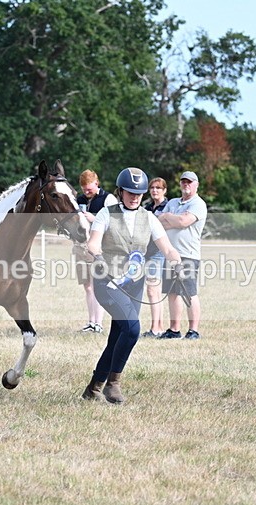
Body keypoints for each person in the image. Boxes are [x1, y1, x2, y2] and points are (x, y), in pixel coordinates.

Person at [81, 167, 183, 404]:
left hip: (133, 284)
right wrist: (96, 256)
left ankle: (93, 388)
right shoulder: (107, 214)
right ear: (120, 191)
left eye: (138, 193)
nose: (135, 197)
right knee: (133, 329)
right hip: (107, 282)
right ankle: (113, 385)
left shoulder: (149, 218)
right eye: (129, 192)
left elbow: (166, 247)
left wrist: (176, 262)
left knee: (118, 336)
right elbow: (93, 243)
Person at [157, 171, 207, 340]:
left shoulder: (198, 204)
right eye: (183, 182)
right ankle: (174, 329)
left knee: (188, 292)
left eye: (190, 182)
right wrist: (174, 220)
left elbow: (183, 222)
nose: (186, 185)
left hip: (188, 254)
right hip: (170, 253)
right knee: (172, 292)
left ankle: (193, 330)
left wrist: (168, 217)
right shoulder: (172, 202)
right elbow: (159, 223)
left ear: (196, 184)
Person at [73, 169, 118, 333]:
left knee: (97, 285)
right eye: (83, 188)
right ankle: (91, 321)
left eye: (89, 188)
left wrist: (93, 218)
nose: (86, 192)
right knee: (87, 286)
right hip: (80, 247)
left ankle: (98, 324)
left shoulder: (108, 199)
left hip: (99, 248)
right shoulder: (79, 200)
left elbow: (115, 223)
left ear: (96, 183)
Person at [141, 177, 169, 338]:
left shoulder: (168, 206)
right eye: (152, 188)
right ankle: (158, 326)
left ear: (164, 190)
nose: (155, 190)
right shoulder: (147, 207)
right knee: (154, 291)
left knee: (153, 290)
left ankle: (155, 328)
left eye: (158, 188)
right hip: (146, 251)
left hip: (158, 251)